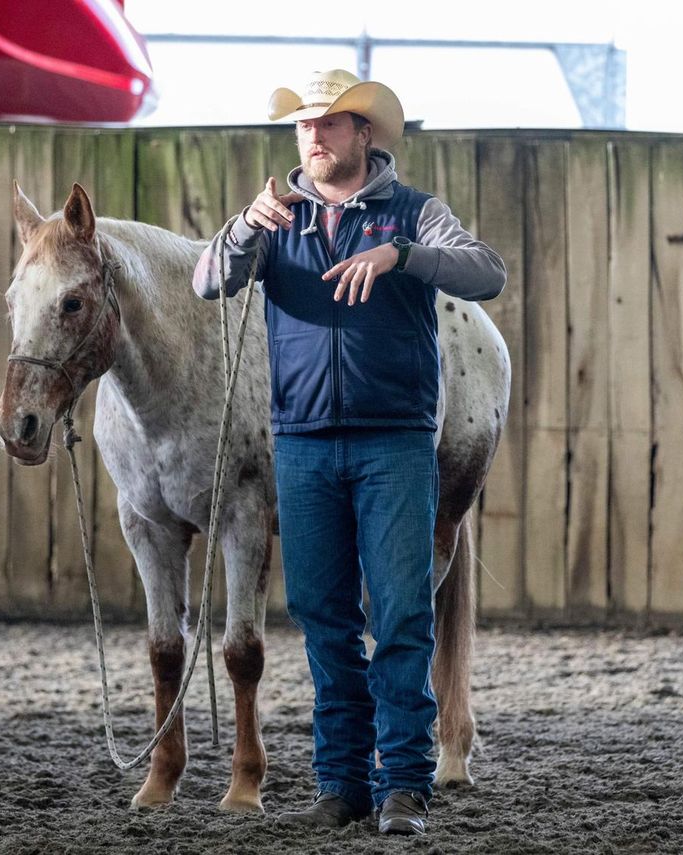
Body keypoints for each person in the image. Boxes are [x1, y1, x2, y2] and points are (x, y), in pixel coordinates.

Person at [192, 68, 505, 836]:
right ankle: (342, 783)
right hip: (300, 443)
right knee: (324, 619)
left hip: (394, 442)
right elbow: (208, 280)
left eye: (330, 124)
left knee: (399, 614)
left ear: (365, 134)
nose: (315, 136)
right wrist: (242, 226)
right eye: (304, 126)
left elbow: (486, 271)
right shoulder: (276, 222)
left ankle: (402, 783)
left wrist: (402, 253)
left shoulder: (415, 213)